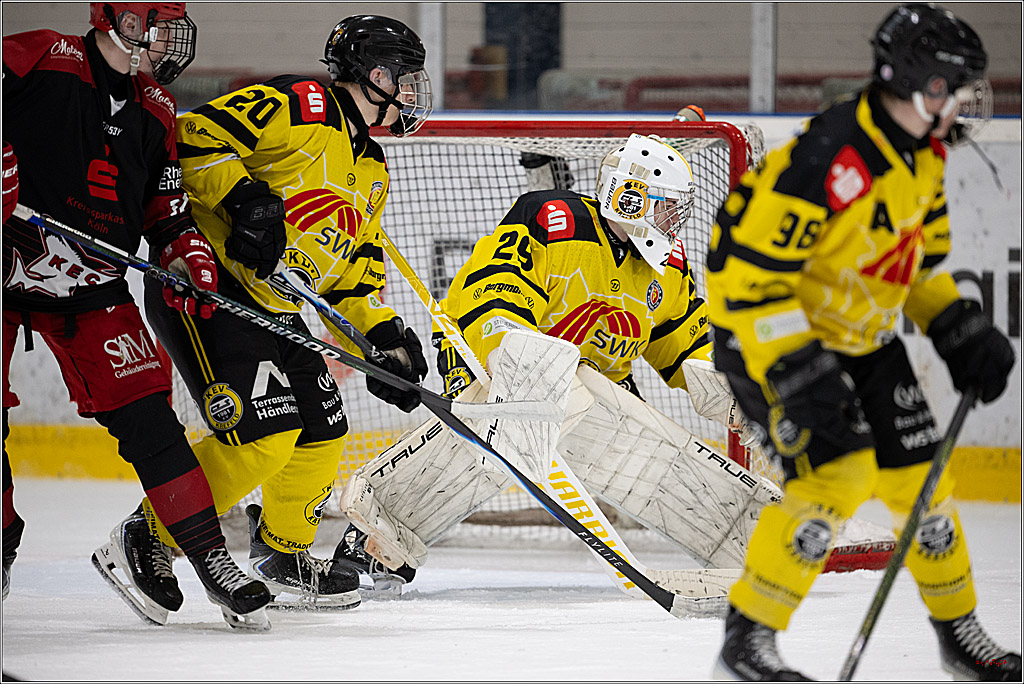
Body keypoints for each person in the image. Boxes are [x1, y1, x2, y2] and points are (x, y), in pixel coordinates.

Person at [705, 4, 1019, 680]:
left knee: (922, 483)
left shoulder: (924, 158)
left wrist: (956, 325)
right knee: (835, 478)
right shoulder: (829, 156)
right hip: (770, 337)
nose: (965, 105)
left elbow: (915, 269)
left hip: (863, 341)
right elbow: (745, 277)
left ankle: (959, 634)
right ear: (922, 84)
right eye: (956, 89)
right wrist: (798, 369)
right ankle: (745, 645)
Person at [334, 133, 765, 594]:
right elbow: (497, 291)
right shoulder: (555, 219)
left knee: (647, 456)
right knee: (497, 441)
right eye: (666, 207)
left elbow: (687, 341)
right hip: (489, 353)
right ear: (631, 197)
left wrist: (737, 394)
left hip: (592, 383)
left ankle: (752, 538)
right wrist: (513, 362)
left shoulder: (667, 267)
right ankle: (375, 537)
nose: (674, 220)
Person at [132, 14, 432, 609]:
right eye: (404, 78)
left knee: (323, 433)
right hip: (211, 287)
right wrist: (243, 198)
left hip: (277, 307)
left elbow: (351, 274)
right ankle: (147, 535)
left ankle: (281, 553)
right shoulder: (302, 104)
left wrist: (384, 336)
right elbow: (192, 135)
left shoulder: (372, 168)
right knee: (264, 439)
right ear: (374, 75)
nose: (411, 92)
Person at [2, 3, 271, 629]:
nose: (165, 35)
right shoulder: (39, 55)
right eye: (155, 19)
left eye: (173, 22)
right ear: (115, 17)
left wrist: (187, 256)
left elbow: (166, 212)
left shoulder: (157, 108)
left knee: (153, 422)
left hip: (92, 287)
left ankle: (211, 559)